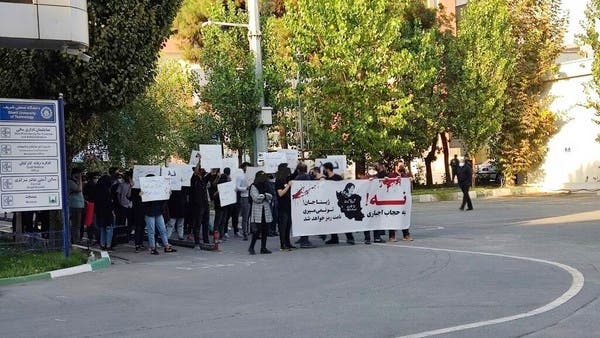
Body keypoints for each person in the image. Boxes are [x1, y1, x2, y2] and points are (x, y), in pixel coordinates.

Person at [142, 174, 177, 255]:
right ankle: (153, 248)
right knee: (152, 231)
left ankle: (166, 246)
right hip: (150, 212)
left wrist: (167, 194)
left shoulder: (158, 189)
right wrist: (141, 196)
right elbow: (143, 204)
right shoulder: (145, 191)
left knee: (162, 230)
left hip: (157, 212)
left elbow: (163, 201)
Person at [323, 162, 355, 245]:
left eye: (324, 169)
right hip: (330, 203)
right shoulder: (326, 179)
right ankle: (334, 238)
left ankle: (350, 237)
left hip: (339, 203)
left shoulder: (338, 177)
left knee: (343, 220)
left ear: (327, 169)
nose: (323, 170)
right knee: (332, 220)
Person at [248, 171, 273, 255]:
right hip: (257, 210)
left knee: (265, 230)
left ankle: (263, 248)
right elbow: (256, 198)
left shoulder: (267, 185)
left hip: (265, 210)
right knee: (257, 230)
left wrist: (265, 196)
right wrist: (264, 196)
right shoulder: (253, 186)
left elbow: (270, 196)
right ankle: (251, 247)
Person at [294, 163, 315, 248]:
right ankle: (305, 241)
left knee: (301, 221)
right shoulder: (306, 177)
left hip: (299, 202)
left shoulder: (297, 177)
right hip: (305, 202)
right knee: (305, 221)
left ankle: (302, 238)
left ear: (298, 170)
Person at [276, 163, 295, 251]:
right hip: (282, 206)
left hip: (289, 205)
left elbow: (294, 175)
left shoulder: (287, 179)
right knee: (283, 226)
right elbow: (280, 193)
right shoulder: (279, 181)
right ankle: (282, 244)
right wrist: (288, 186)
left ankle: (288, 243)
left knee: (288, 226)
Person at [190, 166, 210, 248]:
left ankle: (206, 240)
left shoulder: (204, 179)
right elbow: (195, 172)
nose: (202, 170)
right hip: (197, 205)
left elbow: (212, 172)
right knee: (197, 223)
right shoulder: (194, 179)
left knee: (206, 223)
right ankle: (197, 242)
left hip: (205, 203)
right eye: (200, 169)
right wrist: (199, 159)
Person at [94, 174, 114, 251]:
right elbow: (109, 203)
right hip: (107, 212)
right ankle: (108, 245)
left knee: (102, 229)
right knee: (109, 229)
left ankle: (102, 244)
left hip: (99, 212)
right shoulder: (107, 191)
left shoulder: (97, 190)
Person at [67, 167, 85, 244]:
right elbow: (79, 189)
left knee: (78, 224)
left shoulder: (75, 181)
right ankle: (75, 240)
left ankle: (76, 239)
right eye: (79, 174)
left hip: (79, 205)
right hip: (74, 205)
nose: (80, 175)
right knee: (76, 224)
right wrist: (80, 180)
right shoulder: (70, 182)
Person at [397, 162, 413, 241]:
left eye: (402, 165)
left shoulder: (406, 176)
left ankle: (406, 234)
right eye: (400, 165)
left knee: (404, 217)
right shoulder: (392, 175)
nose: (401, 167)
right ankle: (392, 235)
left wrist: (410, 180)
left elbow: (410, 189)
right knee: (392, 217)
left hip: (403, 201)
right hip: (394, 201)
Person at [116, 171, 133, 242]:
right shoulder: (122, 184)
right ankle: (121, 236)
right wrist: (120, 202)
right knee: (122, 221)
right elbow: (118, 194)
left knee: (130, 221)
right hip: (123, 204)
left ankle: (129, 235)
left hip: (130, 205)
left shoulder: (133, 184)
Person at [236, 162, 252, 240]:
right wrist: (245, 188)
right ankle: (245, 232)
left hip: (250, 197)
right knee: (245, 216)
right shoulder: (240, 176)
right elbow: (237, 187)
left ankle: (248, 231)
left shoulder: (250, 176)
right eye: (247, 167)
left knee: (248, 216)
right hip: (244, 197)